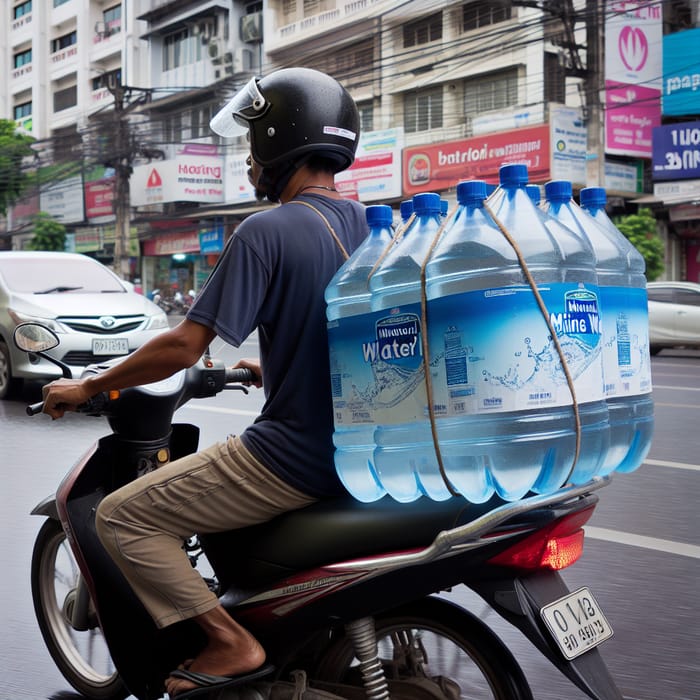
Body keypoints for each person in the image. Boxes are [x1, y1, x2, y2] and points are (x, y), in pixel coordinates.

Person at [41, 67, 367, 700]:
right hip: (365, 456)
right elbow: (358, 345)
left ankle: (229, 641)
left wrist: (89, 387)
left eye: (253, 145)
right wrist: (271, 367)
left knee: (122, 517)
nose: (249, 162)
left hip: (293, 457)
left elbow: (185, 345)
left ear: (280, 141)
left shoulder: (266, 230)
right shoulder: (378, 228)